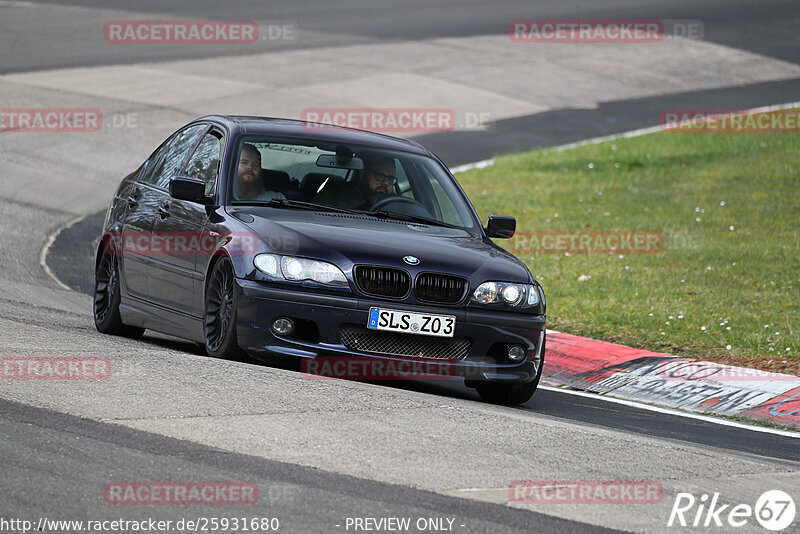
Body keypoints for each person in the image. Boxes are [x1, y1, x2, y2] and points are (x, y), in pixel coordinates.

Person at [314, 154, 396, 210]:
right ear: (363, 173)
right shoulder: (332, 199)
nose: (386, 182)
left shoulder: (398, 205)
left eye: (391, 178)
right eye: (380, 176)